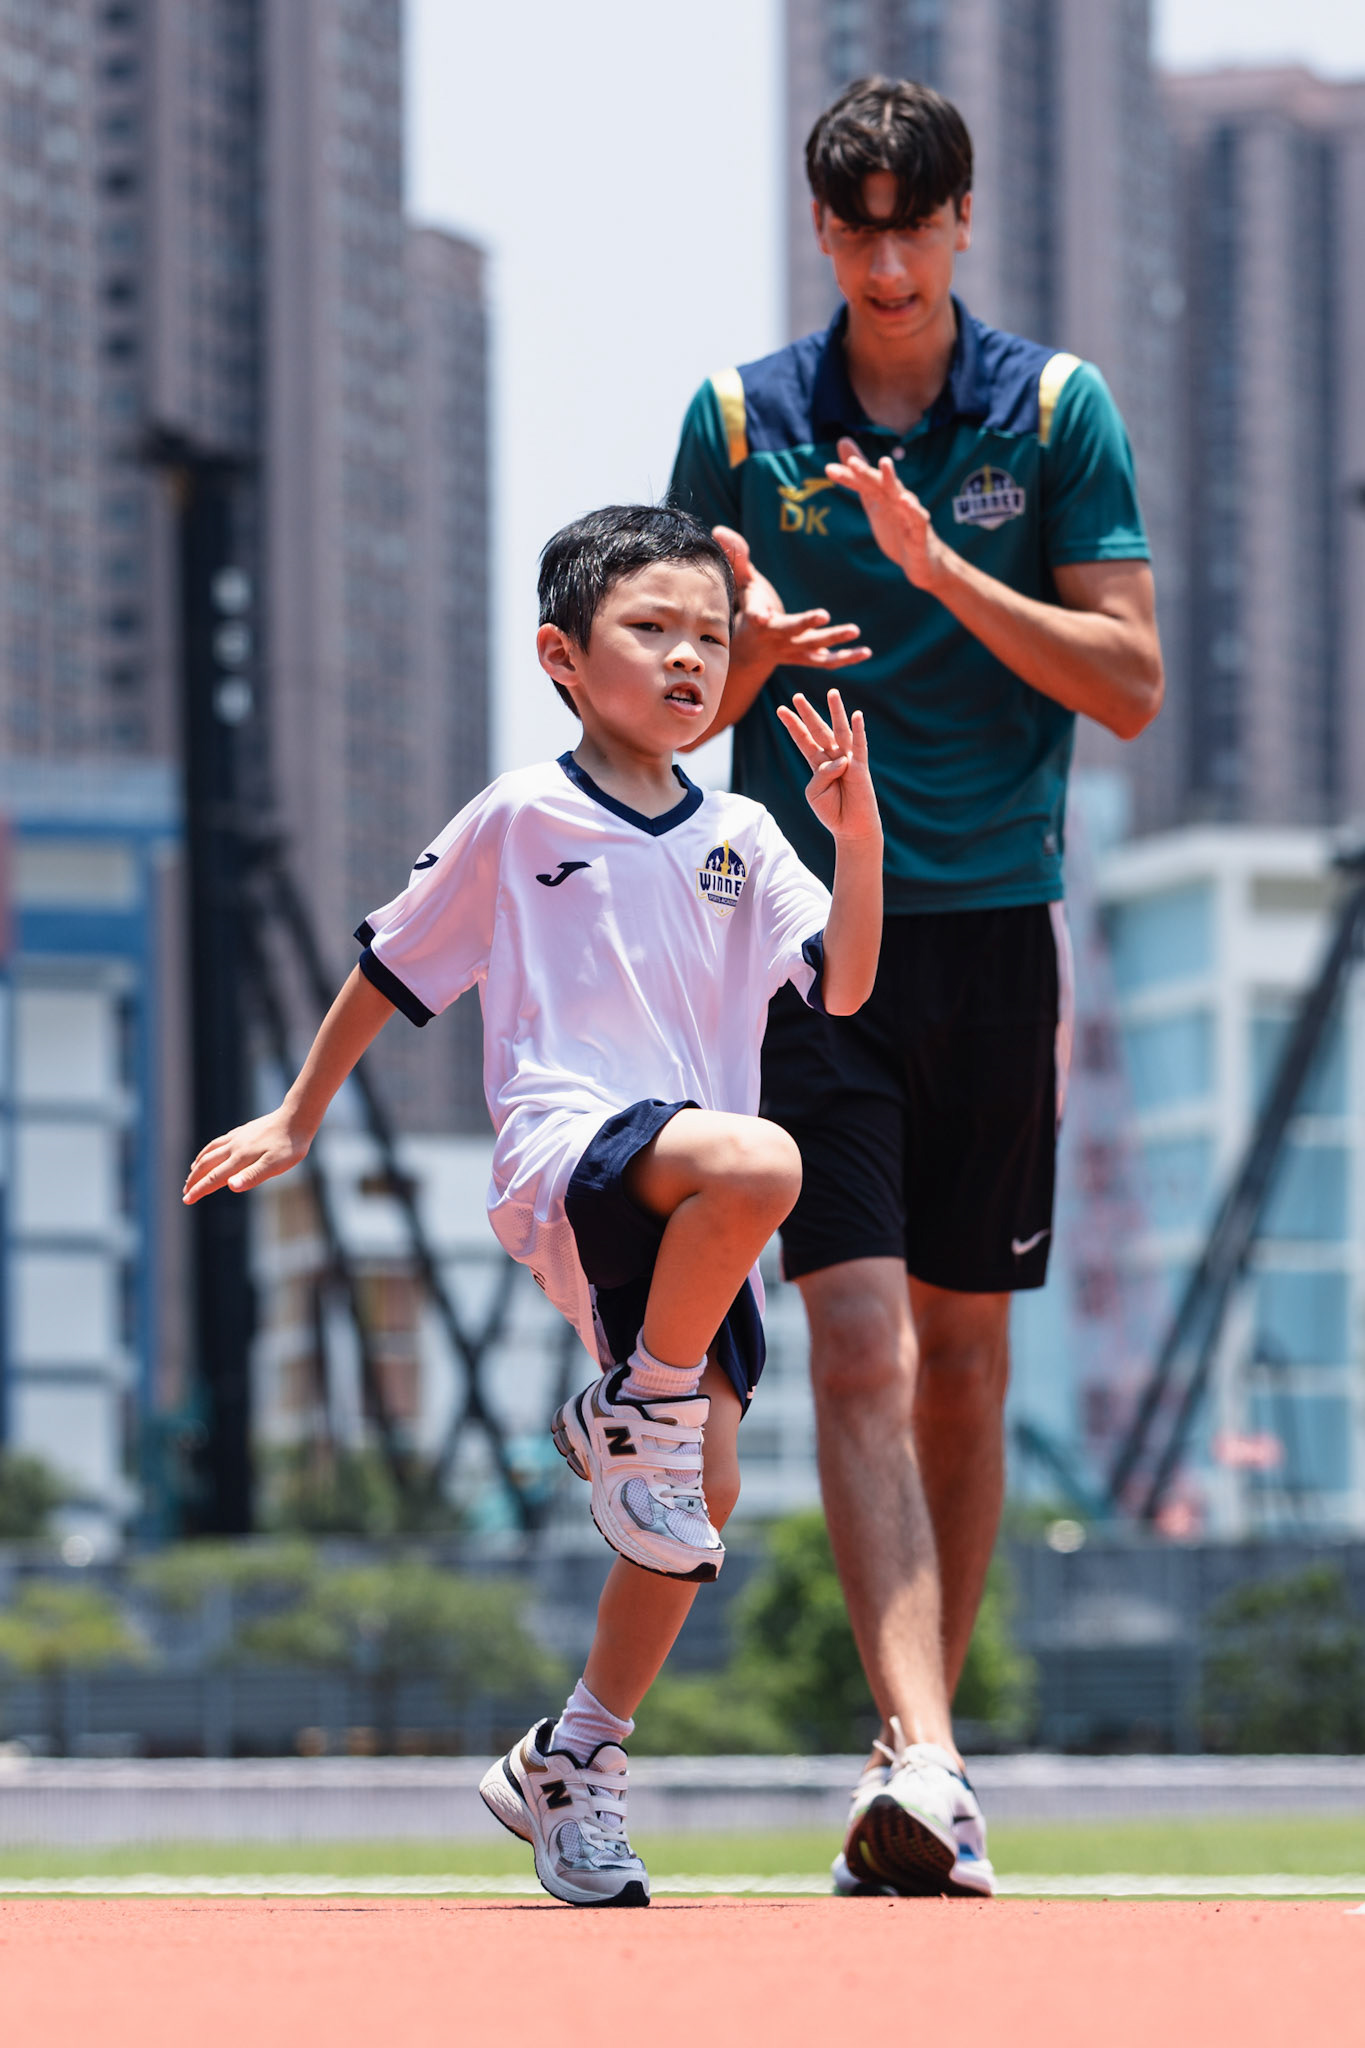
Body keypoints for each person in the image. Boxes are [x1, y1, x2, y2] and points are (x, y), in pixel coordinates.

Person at [182, 503, 883, 1907]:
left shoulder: (743, 830)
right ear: (562, 655)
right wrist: (295, 1115)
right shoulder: (519, 814)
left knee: (698, 1506)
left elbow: (849, 985)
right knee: (763, 1164)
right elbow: (391, 969)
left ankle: (576, 1755)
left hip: (684, 1211)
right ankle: (633, 1411)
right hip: (570, 1150)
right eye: (652, 630)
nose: (689, 659)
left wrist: (857, 834)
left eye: (711, 636)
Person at [670, 76, 1163, 1898]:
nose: (885, 259)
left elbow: (1125, 683)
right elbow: (660, 705)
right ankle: (918, 1750)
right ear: (821, 234)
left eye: (914, 224)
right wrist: (749, 664)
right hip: (805, 944)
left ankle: (926, 1772)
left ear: (961, 225)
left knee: (966, 1364)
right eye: (853, 226)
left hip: (991, 936)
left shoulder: (1051, 411)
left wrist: (932, 565)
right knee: (857, 1341)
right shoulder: (738, 421)